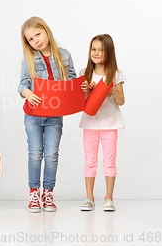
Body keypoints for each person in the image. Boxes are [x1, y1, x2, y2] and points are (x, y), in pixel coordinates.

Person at [18, 17, 76, 213]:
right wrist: (27, 93)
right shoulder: (29, 59)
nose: (36, 41)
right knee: (35, 154)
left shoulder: (65, 55)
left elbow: (72, 81)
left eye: (38, 34)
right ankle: (34, 192)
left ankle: (48, 192)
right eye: (31, 39)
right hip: (33, 114)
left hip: (54, 115)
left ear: (46, 31)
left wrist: (80, 88)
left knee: (51, 155)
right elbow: (23, 84)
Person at [79, 34, 125, 212]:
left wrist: (112, 88)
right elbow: (81, 102)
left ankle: (108, 197)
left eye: (101, 50)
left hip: (110, 125)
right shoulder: (85, 73)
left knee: (109, 162)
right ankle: (89, 198)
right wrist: (86, 91)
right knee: (90, 161)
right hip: (90, 124)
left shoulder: (116, 74)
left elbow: (121, 101)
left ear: (109, 53)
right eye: (93, 49)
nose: (96, 53)